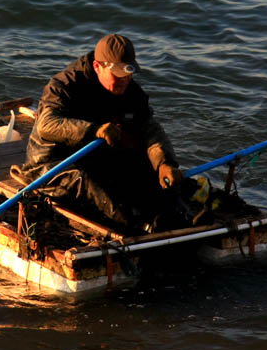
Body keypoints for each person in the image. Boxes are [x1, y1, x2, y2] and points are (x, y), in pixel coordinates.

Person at [13, 33, 185, 232]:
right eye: (117, 75)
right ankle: (136, 229)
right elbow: (47, 125)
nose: (123, 81)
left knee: (151, 170)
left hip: (98, 159)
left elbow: (149, 129)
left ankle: (178, 215)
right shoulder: (64, 86)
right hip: (53, 164)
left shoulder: (131, 91)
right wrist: (93, 130)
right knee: (85, 183)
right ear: (97, 67)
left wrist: (164, 162)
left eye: (128, 74)